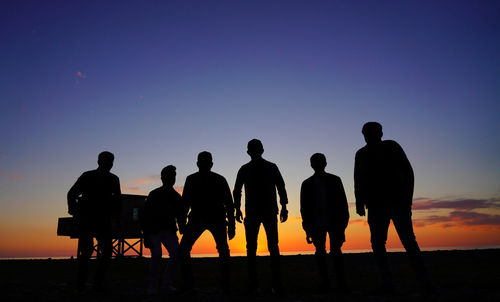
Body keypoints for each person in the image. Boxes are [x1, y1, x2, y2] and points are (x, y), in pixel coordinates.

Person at [354, 122, 431, 292]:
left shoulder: (392, 146)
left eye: (372, 132)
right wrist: (360, 202)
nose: (369, 135)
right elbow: (358, 180)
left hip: (398, 203)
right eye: (366, 132)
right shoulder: (361, 154)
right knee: (378, 243)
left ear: (380, 133)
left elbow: (408, 172)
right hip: (375, 205)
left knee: (408, 241)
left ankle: (423, 280)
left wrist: (407, 198)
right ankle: (386, 281)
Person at [233, 139, 288, 294]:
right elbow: (281, 187)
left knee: (255, 248)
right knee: (269, 247)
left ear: (248, 152)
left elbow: (280, 186)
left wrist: (237, 209)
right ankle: (271, 285)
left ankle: (259, 285)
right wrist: (284, 207)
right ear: (261, 150)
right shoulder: (269, 167)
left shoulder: (247, 168)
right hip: (262, 212)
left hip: (261, 212)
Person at [177, 151, 236, 292]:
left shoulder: (195, 179)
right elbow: (185, 203)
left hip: (211, 219)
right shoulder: (215, 179)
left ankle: (221, 284)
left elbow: (228, 203)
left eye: (205, 162)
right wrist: (182, 222)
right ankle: (221, 284)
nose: (204, 164)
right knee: (221, 251)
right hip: (204, 219)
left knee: (221, 251)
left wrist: (182, 222)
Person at [67, 151, 121, 293]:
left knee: (105, 252)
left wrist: (116, 218)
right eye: (107, 161)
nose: (109, 164)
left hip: (102, 220)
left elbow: (117, 202)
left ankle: (94, 283)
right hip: (89, 219)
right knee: (87, 252)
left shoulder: (113, 179)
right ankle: (83, 284)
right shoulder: (88, 176)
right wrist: (74, 211)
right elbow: (71, 194)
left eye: (111, 161)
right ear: (99, 161)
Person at [300, 153, 349, 292]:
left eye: (320, 161)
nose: (317, 164)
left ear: (325, 163)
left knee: (335, 251)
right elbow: (304, 208)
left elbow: (342, 204)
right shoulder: (307, 184)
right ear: (311, 164)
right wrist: (307, 228)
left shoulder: (335, 180)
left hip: (334, 223)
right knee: (321, 252)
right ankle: (326, 283)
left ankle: (340, 283)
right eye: (315, 161)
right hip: (316, 224)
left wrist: (343, 225)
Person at [141, 165, 185, 295]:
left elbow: (180, 214)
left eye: (173, 176)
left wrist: (182, 227)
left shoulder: (176, 196)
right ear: (162, 178)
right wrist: (146, 235)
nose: (171, 178)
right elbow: (146, 215)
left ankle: (166, 283)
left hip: (169, 230)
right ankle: (153, 285)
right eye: (169, 175)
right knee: (156, 255)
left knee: (175, 254)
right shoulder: (154, 194)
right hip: (153, 231)